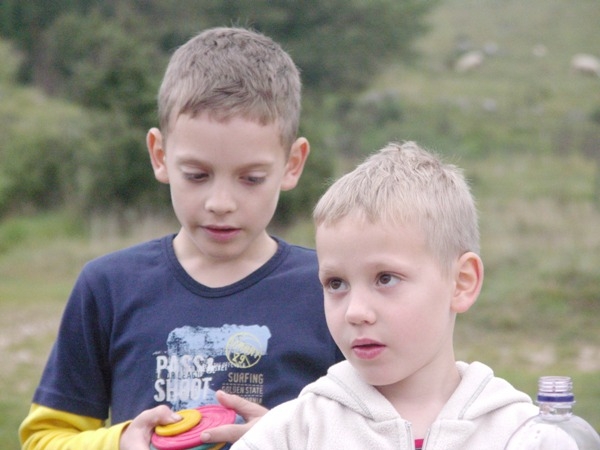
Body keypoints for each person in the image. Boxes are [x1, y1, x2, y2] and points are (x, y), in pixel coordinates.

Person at [19, 26, 343, 450]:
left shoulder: (330, 289)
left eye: (251, 178)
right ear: (160, 156)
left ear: (292, 164)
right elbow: (44, 438)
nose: (221, 203)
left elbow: (387, 429)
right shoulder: (107, 286)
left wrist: (286, 439)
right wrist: (121, 442)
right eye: (197, 175)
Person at [232, 141, 539, 450]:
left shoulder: (524, 435)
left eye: (385, 279)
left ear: (461, 282)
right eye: (336, 284)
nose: (355, 312)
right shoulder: (294, 433)